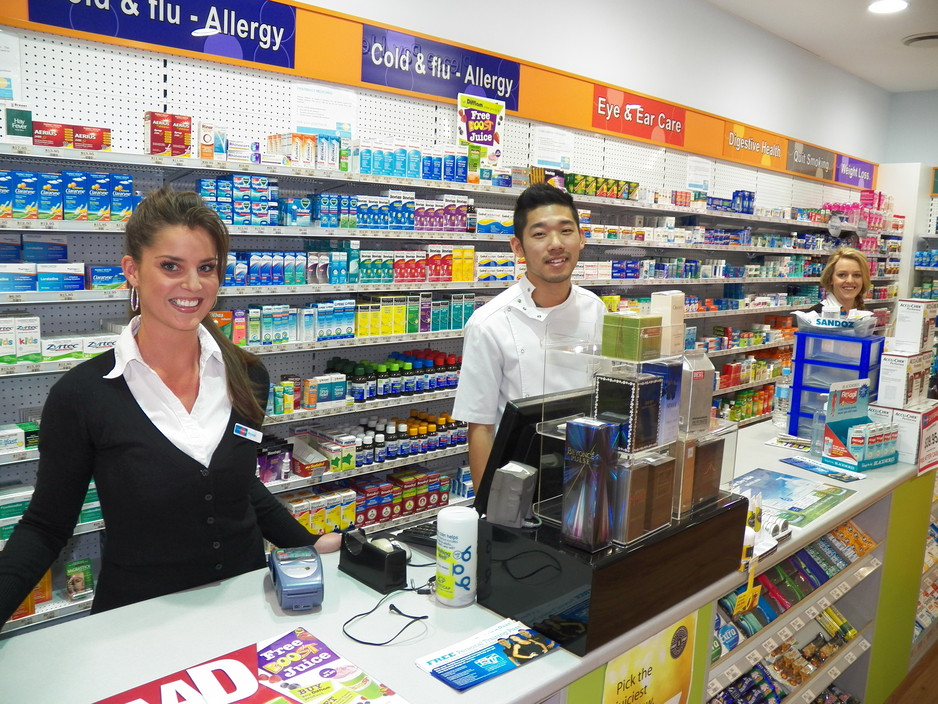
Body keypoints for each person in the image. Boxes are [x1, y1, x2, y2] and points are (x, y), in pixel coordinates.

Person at [0, 187, 339, 624]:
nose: (193, 285)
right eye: (170, 266)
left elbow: (237, 486)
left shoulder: (248, 376)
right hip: (138, 619)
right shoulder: (83, 395)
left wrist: (306, 543)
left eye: (207, 268)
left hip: (246, 605)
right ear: (132, 271)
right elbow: (45, 526)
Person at [452, 183, 606, 489]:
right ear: (518, 248)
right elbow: (480, 426)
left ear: (582, 238)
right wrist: (489, 511)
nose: (555, 244)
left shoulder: (596, 310)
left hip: (587, 472)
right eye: (539, 234)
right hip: (518, 481)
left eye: (566, 230)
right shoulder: (489, 323)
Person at [811, 247, 871, 314]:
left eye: (856, 275)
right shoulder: (813, 316)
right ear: (830, 278)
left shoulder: (864, 315)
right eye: (842, 275)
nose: (850, 281)